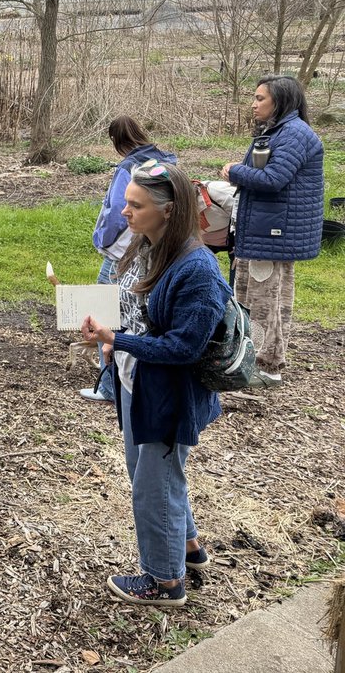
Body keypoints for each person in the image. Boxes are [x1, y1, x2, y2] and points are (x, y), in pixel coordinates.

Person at [80, 160, 229, 608]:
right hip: (137, 384)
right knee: (157, 476)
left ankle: (165, 582)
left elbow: (185, 347)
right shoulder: (147, 246)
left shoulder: (198, 270)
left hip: (169, 398)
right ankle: (187, 549)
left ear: (168, 210)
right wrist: (114, 340)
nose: (124, 212)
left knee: (153, 484)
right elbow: (135, 311)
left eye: (135, 205)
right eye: (126, 202)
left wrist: (117, 338)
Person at [219, 75, 324, 384]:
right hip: (263, 230)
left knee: (265, 301)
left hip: (272, 234)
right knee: (254, 298)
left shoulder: (293, 134)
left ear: (281, 101)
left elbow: (273, 179)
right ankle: (251, 360)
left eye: (260, 98)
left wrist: (234, 171)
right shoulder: (278, 132)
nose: (253, 103)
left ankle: (266, 367)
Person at [82, 117, 177, 403]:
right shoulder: (164, 160)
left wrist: (102, 239)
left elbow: (116, 213)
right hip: (151, 246)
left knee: (107, 309)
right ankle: (122, 378)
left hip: (125, 249)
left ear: (117, 140)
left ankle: (110, 384)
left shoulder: (129, 167)